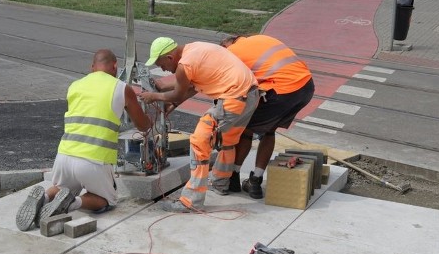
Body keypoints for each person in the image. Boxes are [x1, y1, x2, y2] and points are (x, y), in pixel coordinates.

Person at [16, 49, 151, 231]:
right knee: (107, 201)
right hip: (94, 159)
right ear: (115, 67)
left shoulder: (75, 86)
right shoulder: (120, 87)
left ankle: (46, 197)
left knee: (62, 187)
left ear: (92, 67)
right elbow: (143, 125)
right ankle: (72, 203)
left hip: (64, 156)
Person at [139, 37, 260, 212]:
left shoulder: (184, 65)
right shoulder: (194, 49)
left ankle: (191, 201)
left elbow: (179, 92)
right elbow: (192, 86)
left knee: (198, 141)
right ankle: (220, 183)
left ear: (170, 57)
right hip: (251, 96)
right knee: (228, 139)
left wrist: (154, 96)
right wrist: (169, 98)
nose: (163, 69)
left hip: (233, 100)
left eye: (162, 64)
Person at [216, 35, 314, 199]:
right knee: (269, 131)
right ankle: (255, 181)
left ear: (229, 44)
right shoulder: (260, 40)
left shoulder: (232, 51)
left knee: (246, 129)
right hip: (306, 87)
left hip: (282, 91)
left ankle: (234, 177)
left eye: (223, 47)